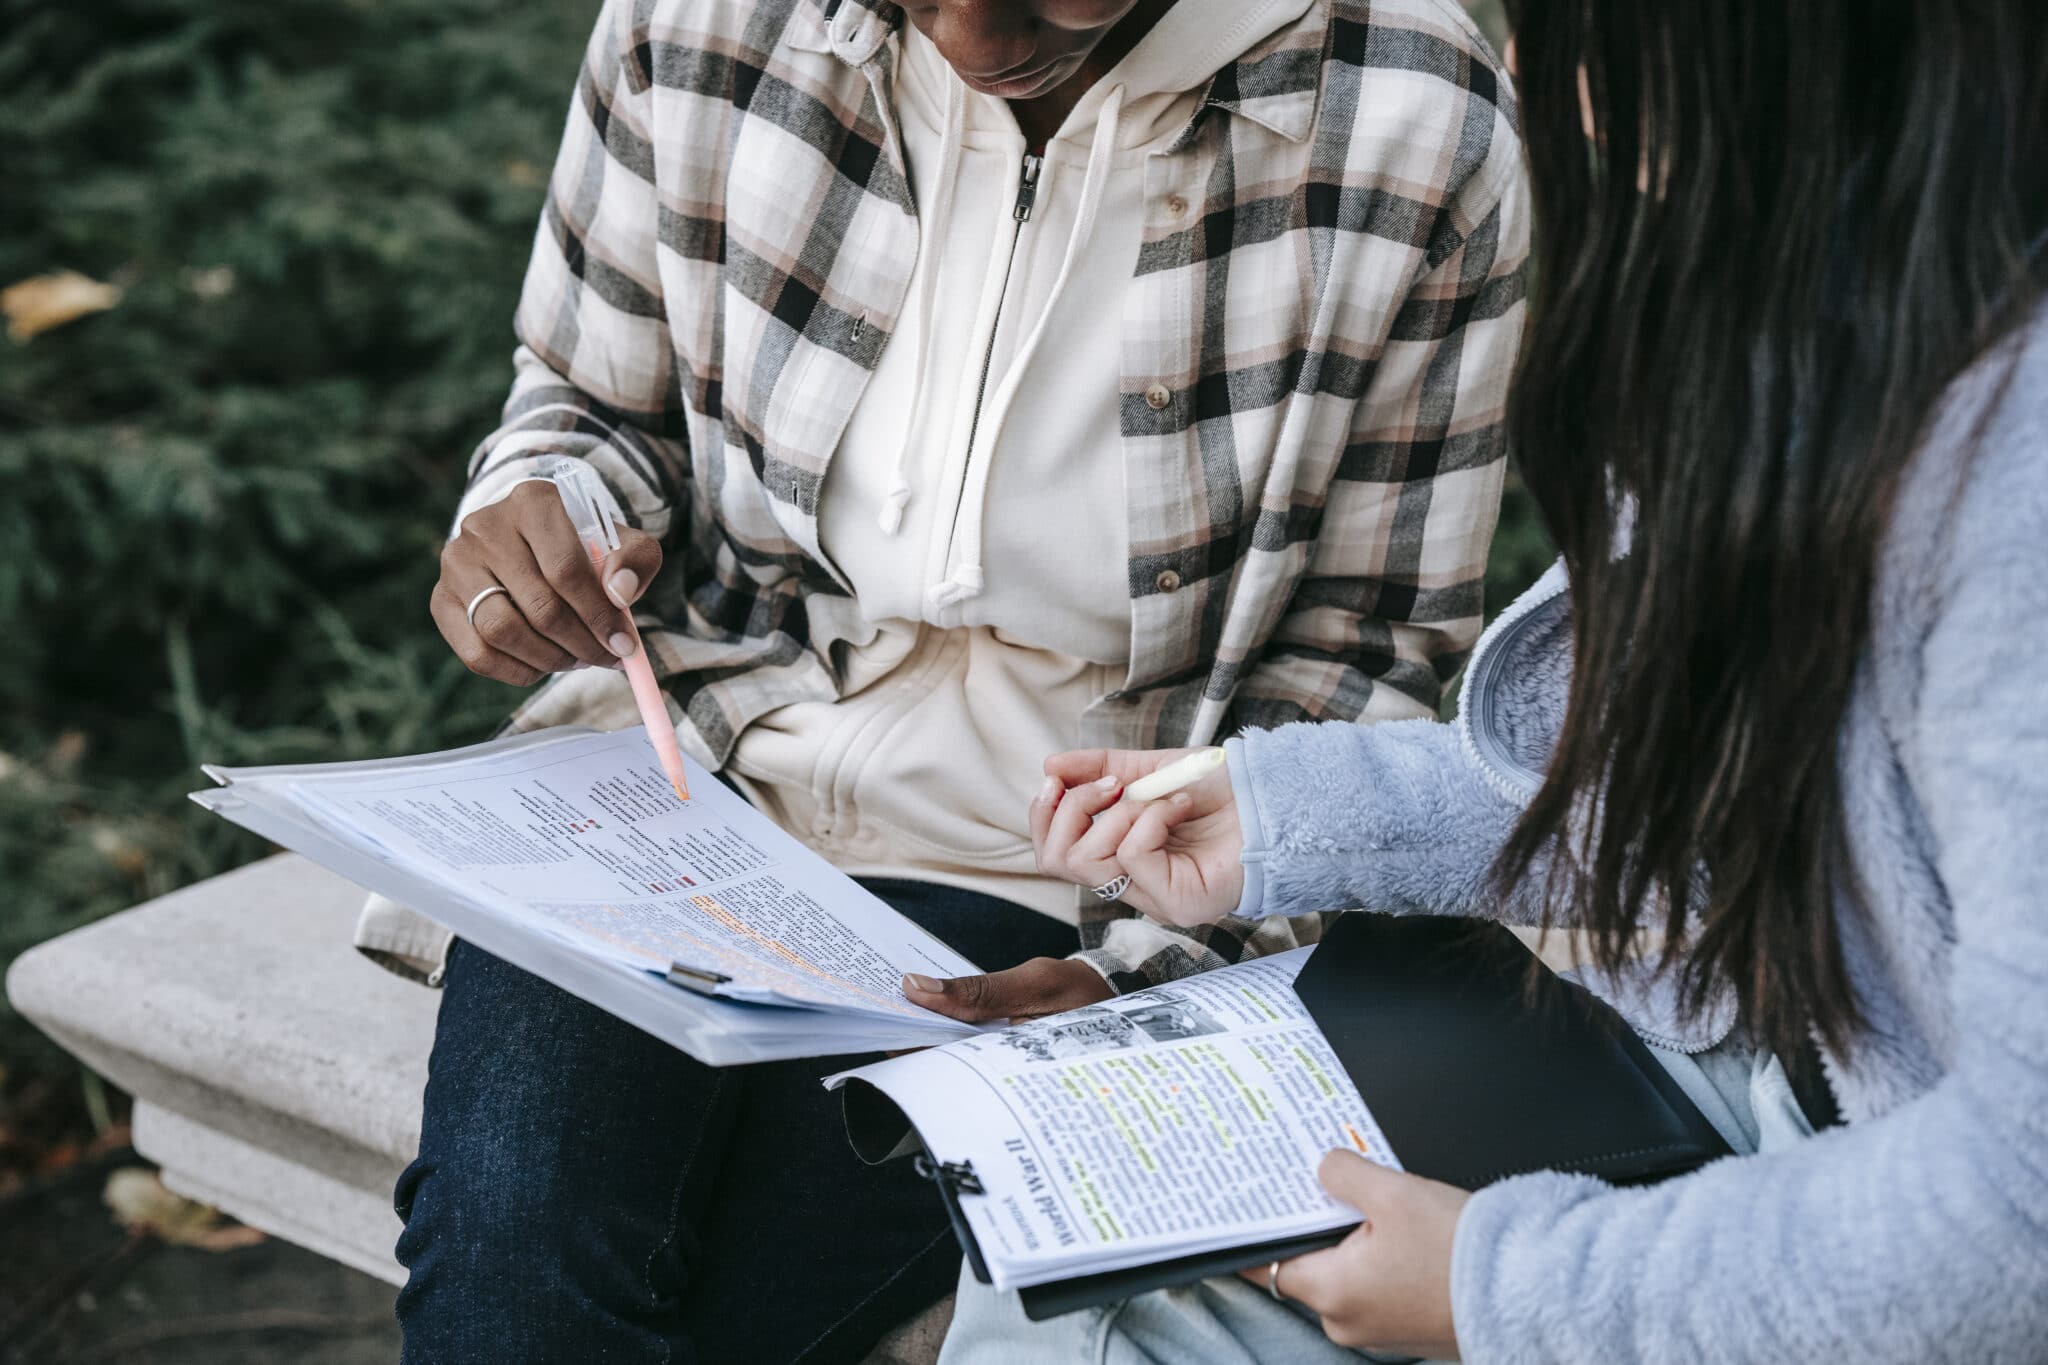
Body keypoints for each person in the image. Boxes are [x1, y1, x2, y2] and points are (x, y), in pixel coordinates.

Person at [374, 0, 1528, 1359]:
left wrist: (1143, 979)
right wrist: (543, 513)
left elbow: (1368, 658)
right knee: (513, 1246)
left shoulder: (1410, 111)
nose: (976, 37)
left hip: (1058, 879)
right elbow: (589, 401)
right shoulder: (697, 21)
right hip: (680, 778)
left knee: (722, 1316)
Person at [977, 0, 2048, 1360]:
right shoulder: (1822, 293)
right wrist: (1278, 813)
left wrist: (1505, 1287)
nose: (1537, 71)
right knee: (1076, 1254)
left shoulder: (2014, 474)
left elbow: (2024, 1213)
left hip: (1902, 1208)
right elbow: (1697, 800)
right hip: (1783, 1074)